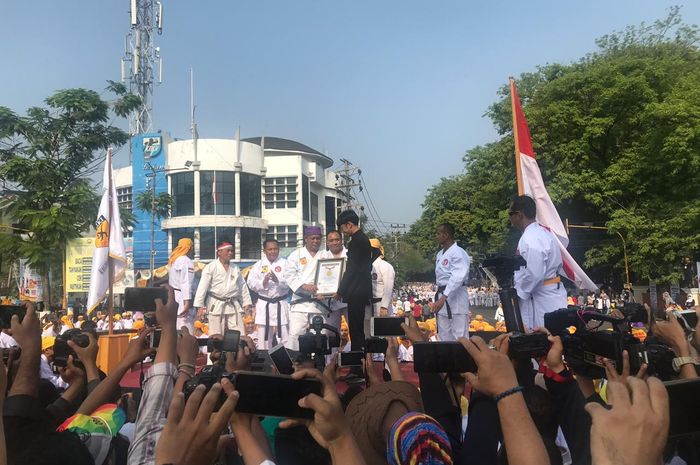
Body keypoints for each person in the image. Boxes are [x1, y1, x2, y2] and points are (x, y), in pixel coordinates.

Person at [509, 195, 567, 330]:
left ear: (519, 215)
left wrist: (519, 294)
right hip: (545, 294)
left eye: (510, 214)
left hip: (543, 298)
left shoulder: (532, 238)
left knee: (546, 340)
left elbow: (535, 274)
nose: (509, 218)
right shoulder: (539, 233)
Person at [193, 241, 253, 336]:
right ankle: (216, 350)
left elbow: (243, 287)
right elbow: (202, 288)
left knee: (239, 333)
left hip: (233, 304)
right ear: (219, 252)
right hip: (216, 303)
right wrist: (199, 306)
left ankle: (237, 350)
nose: (230, 253)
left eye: (231, 251)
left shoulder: (235, 268)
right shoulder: (211, 267)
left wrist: (246, 303)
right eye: (228, 251)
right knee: (216, 334)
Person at [334, 209, 372, 352]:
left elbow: (351, 270)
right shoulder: (362, 239)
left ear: (349, 225)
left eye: (342, 228)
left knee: (356, 332)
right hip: (360, 291)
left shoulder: (356, 241)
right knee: (356, 330)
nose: (342, 232)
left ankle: (358, 365)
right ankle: (359, 363)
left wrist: (340, 291)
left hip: (356, 291)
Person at [284, 226, 327, 351]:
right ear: (306, 239)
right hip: (300, 303)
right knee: (296, 334)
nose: (315, 241)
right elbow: (289, 275)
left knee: (320, 336)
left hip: (319, 303)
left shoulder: (325, 254)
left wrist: (325, 291)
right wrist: (303, 286)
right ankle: (296, 364)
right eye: (312, 238)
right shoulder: (295, 255)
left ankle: (319, 365)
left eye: (318, 238)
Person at [247, 238, 291, 349]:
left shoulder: (286, 263)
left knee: (284, 336)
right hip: (264, 303)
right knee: (264, 339)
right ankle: (265, 363)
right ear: (264, 251)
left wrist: (277, 280)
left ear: (279, 250)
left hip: (280, 302)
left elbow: (291, 282)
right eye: (270, 249)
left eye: (275, 249)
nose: (273, 251)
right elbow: (250, 283)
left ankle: (285, 363)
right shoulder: (258, 265)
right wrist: (263, 282)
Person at [433, 223, 471, 341]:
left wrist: (444, 297)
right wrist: (441, 297)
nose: (437, 236)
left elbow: (458, 276)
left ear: (446, 235)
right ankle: (447, 359)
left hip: (456, 298)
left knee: (460, 336)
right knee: (444, 335)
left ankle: (462, 359)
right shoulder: (440, 254)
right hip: (442, 296)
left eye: (439, 233)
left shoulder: (458, 252)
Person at [319, 230, 349, 343]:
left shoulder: (349, 254)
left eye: (337, 239)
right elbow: (318, 278)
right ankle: (331, 359)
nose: (334, 242)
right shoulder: (323, 257)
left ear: (341, 241)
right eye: (331, 240)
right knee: (331, 332)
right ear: (327, 243)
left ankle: (357, 358)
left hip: (348, 299)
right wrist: (319, 290)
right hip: (330, 300)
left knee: (355, 329)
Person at [367, 238, 395, 332]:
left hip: (381, 305)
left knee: (384, 335)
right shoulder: (366, 266)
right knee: (369, 334)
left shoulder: (386, 266)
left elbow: (388, 288)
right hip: (368, 305)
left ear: (375, 250)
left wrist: (384, 307)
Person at [168, 237, 195, 333]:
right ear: (190, 248)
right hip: (183, 301)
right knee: (187, 332)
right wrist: (187, 303)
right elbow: (186, 283)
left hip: (174, 299)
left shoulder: (174, 260)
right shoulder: (185, 261)